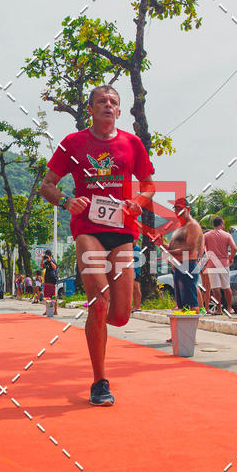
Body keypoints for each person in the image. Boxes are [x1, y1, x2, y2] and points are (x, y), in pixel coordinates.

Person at [40, 84, 155, 407]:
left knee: (119, 316)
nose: (108, 105)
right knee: (99, 301)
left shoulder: (132, 144)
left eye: (113, 102)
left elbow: (149, 186)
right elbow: (47, 185)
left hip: (122, 230)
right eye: (101, 101)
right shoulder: (73, 143)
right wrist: (66, 201)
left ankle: (96, 325)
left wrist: (137, 201)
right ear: (89, 109)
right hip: (88, 229)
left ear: (119, 111)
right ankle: (99, 381)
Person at [159, 198, 204, 312]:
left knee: (192, 304)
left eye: (180, 209)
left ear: (188, 209)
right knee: (182, 305)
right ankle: (184, 329)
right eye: (176, 208)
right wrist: (161, 244)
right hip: (179, 267)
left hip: (188, 265)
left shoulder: (192, 225)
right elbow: (172, 247)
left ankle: (193, 328)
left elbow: (190, 248)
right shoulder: (180, 227)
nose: (177, 211)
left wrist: (168, 252)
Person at [203, 217, 237, 315]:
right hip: (224, 264)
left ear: (214, 225)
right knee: (226, 287)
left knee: (215, 288)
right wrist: (231, 258)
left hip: (212, 264)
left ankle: (219, 309)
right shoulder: (227, 235)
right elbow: (234, 248)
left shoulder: (207, 235)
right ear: (222, 224)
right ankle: (229, 308)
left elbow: (202, 248)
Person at [132, 242, 142, 312]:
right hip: (130, 270)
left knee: (136, 288)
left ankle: (137, 306)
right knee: (132, 290)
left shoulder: (137, 248)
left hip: (135, 271)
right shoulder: (130, 247)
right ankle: (134, 306)